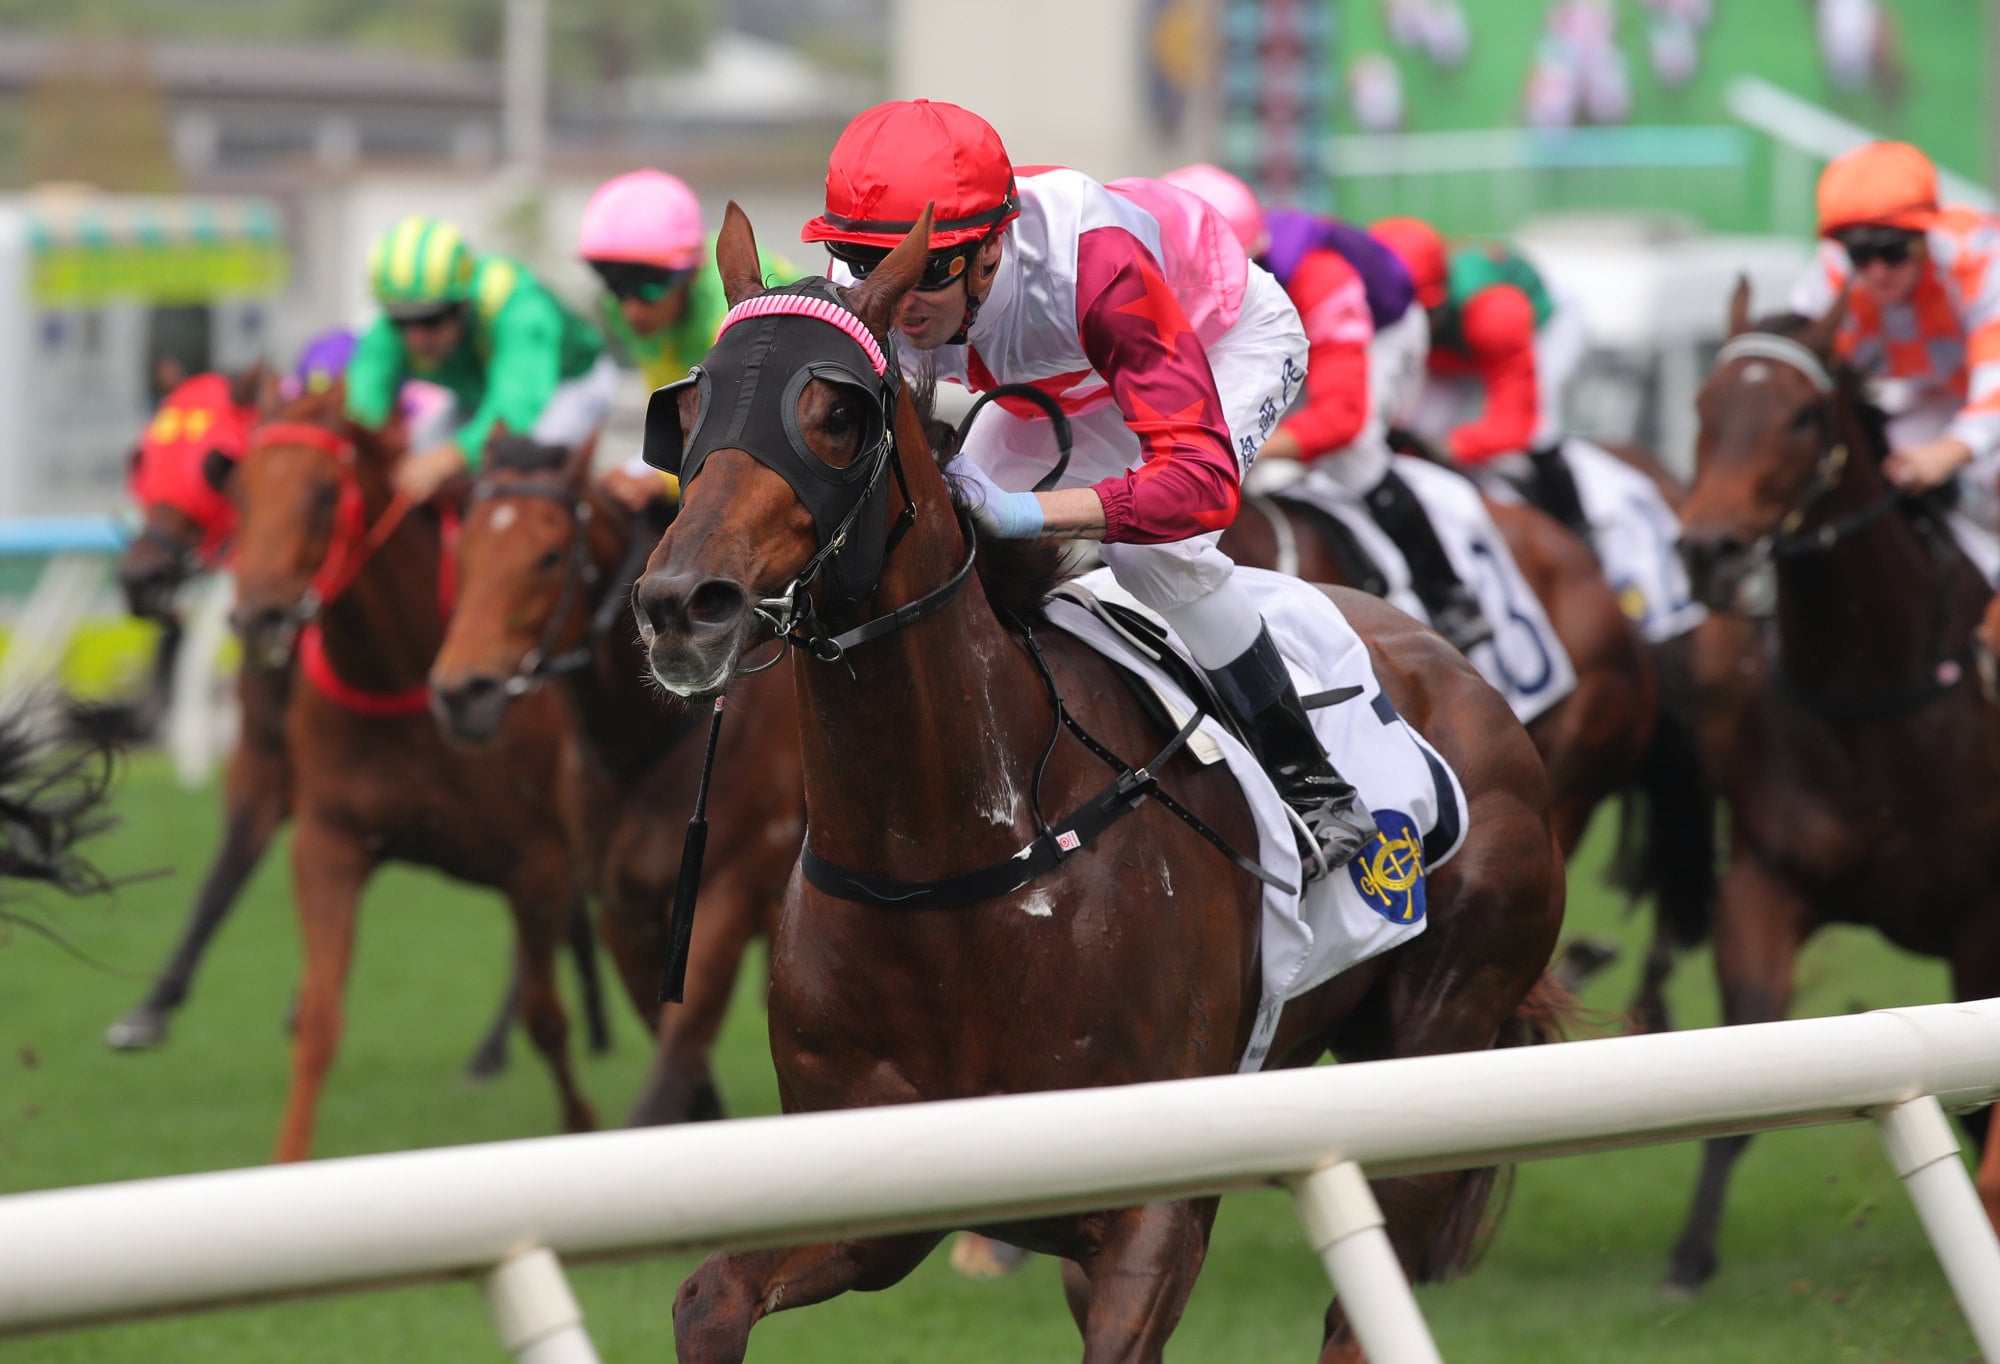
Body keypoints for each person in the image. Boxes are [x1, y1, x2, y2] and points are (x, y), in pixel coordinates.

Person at [804, 99, 1374, 872]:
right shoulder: (867, 281)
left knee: (1152, 553)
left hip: (1217, 341)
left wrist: (1026, 512)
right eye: (870, 264)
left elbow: (1198, 484)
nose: (895, 296)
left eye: (927, 270)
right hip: (1067, 371)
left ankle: (1312, 783)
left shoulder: (1097, 261)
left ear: (991, 250)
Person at [1162, 164, 1490, 648]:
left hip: (1381, 331)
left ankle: (1449, 593)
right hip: (1289, 315)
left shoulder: (1321, 276)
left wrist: (1237, 450)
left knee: (1351, 452)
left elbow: (1340, 417)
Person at [1789, 140, 2000, 581]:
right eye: (1860, 254)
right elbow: (1794, 375)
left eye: (1893, 250)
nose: (1877, 272)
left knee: (1984, 471)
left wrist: (1953, 449)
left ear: (1926, 236)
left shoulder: (1980, 256)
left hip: (1982, 396)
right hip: (1933, 397)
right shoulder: (1830, 277)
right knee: (1888, 464)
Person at [345, 215, 615, 501]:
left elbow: (513, 414)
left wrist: (451, 457)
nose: (417, 337)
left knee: (525, 472)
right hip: (483, 395)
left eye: (431, 318)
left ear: (463, 303)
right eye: (400, 320)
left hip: (569, 385)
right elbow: (361, 410)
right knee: (421, 457)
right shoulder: (389, 329)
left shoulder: (519, 307)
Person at [577, 169, 792, 512]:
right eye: (615, 284)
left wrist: (656, 481)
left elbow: (742, 430)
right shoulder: (621, 309)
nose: (631, 309)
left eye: (649, 284)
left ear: (691, 272)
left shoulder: (729, 308)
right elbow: (671, 400)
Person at [1370, 215, 1595, 542]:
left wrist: (1450, 447)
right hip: (1456, 339)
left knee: (1540, 431)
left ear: (1433, 306)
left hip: (1542, 324)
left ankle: (1578, 528)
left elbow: (1516, 423)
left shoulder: (1494, 313)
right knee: (1416, 429)